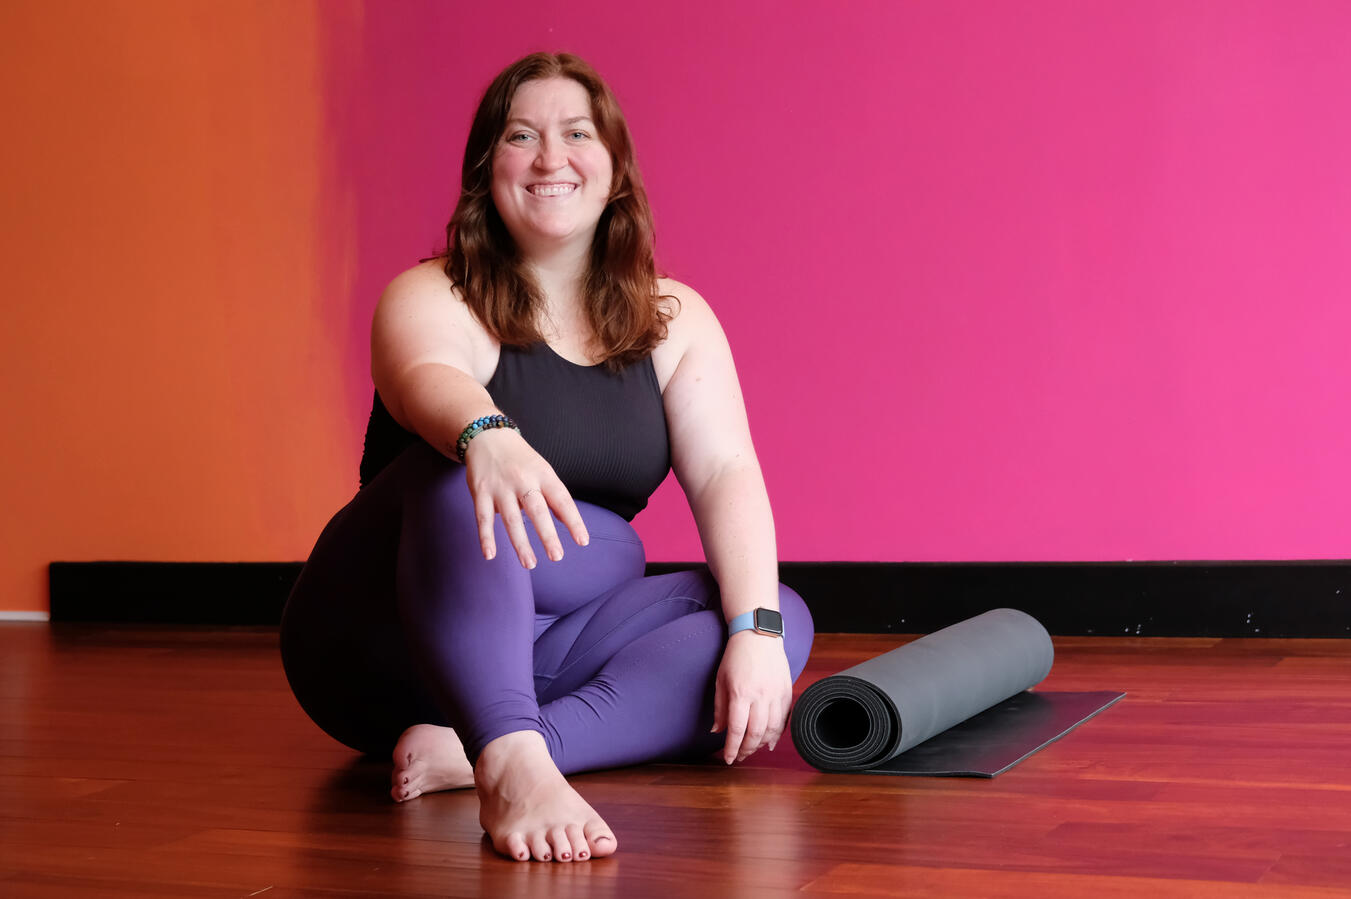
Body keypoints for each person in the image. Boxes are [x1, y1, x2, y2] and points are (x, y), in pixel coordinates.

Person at [279, 51, 814, 864]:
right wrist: (485, 436)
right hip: (386, 636)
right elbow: (424, 374)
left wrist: (757, 630)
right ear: (486, 170)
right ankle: (512, 756)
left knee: (773, 615)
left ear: (615, 169)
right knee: (457, 473)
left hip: (543, 643)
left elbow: (723, 472)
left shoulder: (676, 319)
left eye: (576, 134)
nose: (550, 158)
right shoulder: (432, 293)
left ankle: (502, 750)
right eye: (521, 136)